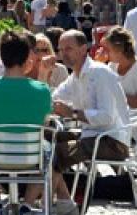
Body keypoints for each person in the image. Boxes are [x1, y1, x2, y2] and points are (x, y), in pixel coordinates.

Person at [0, 30, 78, 215]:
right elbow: (44, 120)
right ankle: (28, 204)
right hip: (31, 157)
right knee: (50, 153)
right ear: (27, 58)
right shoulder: (41, 90)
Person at [52, 30, 131, 174]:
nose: (63, 54)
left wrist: (72, 113)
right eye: (60, 50)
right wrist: (43, 73)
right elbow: (54, 98)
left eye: (68, 49)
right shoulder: (74, 77)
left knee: (55, 153)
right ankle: (79, 183)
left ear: (83, 49)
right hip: (92, 136)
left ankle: (71, 186)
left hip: (113, 141)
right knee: (48, 138)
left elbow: (106, 117)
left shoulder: (99, 73)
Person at [103, 26, 137, 109]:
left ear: (118, 50)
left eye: (108, 49)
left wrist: (116, 95)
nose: (105, 52)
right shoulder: (111, 66)